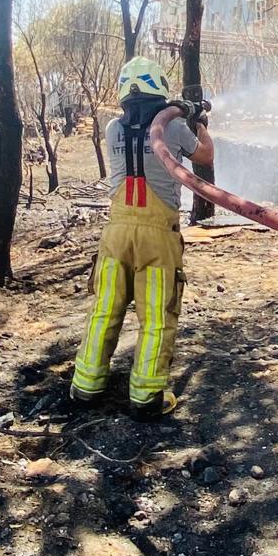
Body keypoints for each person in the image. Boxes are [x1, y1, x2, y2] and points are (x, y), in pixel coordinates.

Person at [71, 57, 213, 416]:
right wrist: (201, 122)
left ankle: (86, 384)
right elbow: (206, 155)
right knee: (156, 316)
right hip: (157, 237)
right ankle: (147, 394)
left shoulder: (113, 129)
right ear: (160, 90)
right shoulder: (175, 127)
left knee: (105, 309)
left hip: (115, 233)